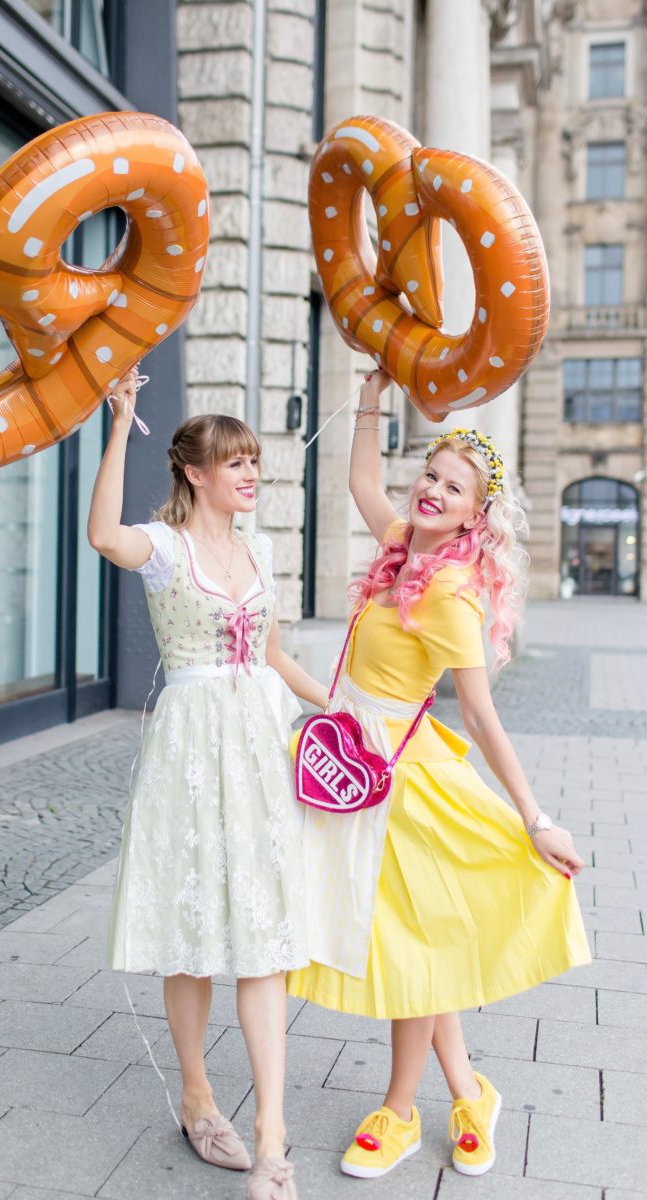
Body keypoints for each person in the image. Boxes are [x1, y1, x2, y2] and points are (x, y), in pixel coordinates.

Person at [287, 369, 590, 1181]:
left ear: (472, 514)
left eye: (453, 488)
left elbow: (481, 716)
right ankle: (467, 1090)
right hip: (345, 761)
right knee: (414, 947)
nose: (431, 490)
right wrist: (374, 393)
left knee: (409, 951)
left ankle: (397, 1112)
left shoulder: (451, 593)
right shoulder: (393, 550)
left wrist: (535, 817)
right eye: (430, 473)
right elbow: (356, 477)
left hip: (403, 785)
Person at [88, 368, 328, 1200]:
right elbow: (101, 536)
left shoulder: (261, 549)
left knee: (263, 933)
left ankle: (271, 1135)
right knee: (191, 931)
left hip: (258, 745)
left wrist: (336, 709)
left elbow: (270, 653)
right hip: (190, 747)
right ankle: (196, 1095)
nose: (252, 475)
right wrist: (120, 425)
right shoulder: (165, 547)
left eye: (255, 462)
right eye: (236, 464)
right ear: (195, 472)